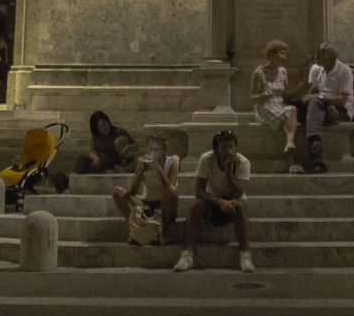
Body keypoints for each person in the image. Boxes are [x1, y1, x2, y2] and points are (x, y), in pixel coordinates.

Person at [175, 130, 254, 273]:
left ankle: (245, 255)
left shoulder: (243, 162)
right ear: (216, 148)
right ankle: (187, 254)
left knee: (241, 207)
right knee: (196, 206)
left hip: (234, 200)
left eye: (231, 147)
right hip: (214, 199)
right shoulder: (207, 159)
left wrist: (229, 171)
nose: (228, 151)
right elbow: (198, 191)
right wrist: (218, 201)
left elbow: (238, 193)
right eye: (224, 147)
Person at [113, 134, 180, 244]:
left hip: (164, 204)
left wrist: (159, 170)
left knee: (172, 192)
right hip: (146, 203)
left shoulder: (172, 162)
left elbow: (170, 188)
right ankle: (135, 228)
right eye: (150, 149)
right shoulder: (142, 162)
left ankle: (164, 231)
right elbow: (133, 192)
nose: (153, 152)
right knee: (117, 192)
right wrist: (140, 173)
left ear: (164, 150)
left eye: (157, 149)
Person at [250, 39, 302, 171]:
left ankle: (289, 143)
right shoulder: (259, 72)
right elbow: (252, 98)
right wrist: (263, 96)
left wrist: (300, 89)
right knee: (289, 117)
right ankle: (290, 153)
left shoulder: (283, 72)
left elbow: (286, 95)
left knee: (292, 109)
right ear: (271, 55)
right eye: (281, 54)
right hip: (265, 106)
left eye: (285, 54)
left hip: (279, 105)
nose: (284, 57)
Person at [303, 42, 354, 173]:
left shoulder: (344, 71)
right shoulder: (315, 69)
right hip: (321, 106)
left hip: (341, 108)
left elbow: (342, 101)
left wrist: (322, 100)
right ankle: (315, 143)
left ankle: (316, 156)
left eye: (318, 55)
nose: (316, 58)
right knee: (308, 107)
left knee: (315, 106)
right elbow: (312, 92)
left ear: (327, 56)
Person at [74, 110, 137, 174]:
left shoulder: (119, 132)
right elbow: (92, 151)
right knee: (82, 160)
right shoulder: (96, 137)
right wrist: (96, 157)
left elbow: (134, 146)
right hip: (101, 163)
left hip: (115, 163)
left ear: (107, 121)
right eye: (99, 127)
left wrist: (124, 149)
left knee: (105, 161)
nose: (103, 128)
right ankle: (74, 179)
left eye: (104, 124)